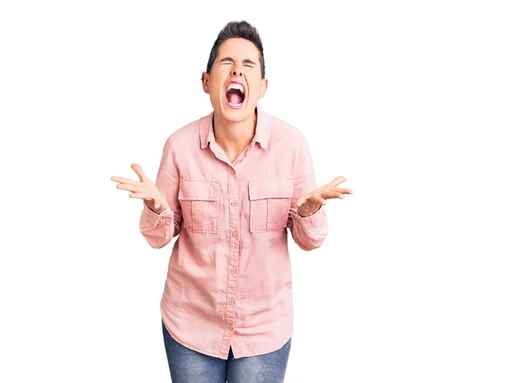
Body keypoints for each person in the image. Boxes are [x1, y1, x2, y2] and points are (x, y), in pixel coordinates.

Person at [111, 20, 351, 383]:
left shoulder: (292, 146)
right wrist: (158, 209)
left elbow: (311, 241)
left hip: (264, 331)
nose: (237, 69)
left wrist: (308, 213)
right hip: (190, 327)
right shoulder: (179, 147)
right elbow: (158, 237)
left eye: (248, 65)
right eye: (226, 62)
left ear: (263, 87)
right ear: (206, 82)